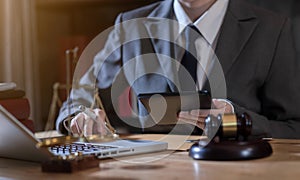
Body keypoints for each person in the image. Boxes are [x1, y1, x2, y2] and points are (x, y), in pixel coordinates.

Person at [56, 0, 300, 139]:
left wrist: (238, 122)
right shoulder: (129, 27)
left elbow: (294, 127)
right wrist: (80, 117)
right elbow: (80, 97)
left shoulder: (273, 30)